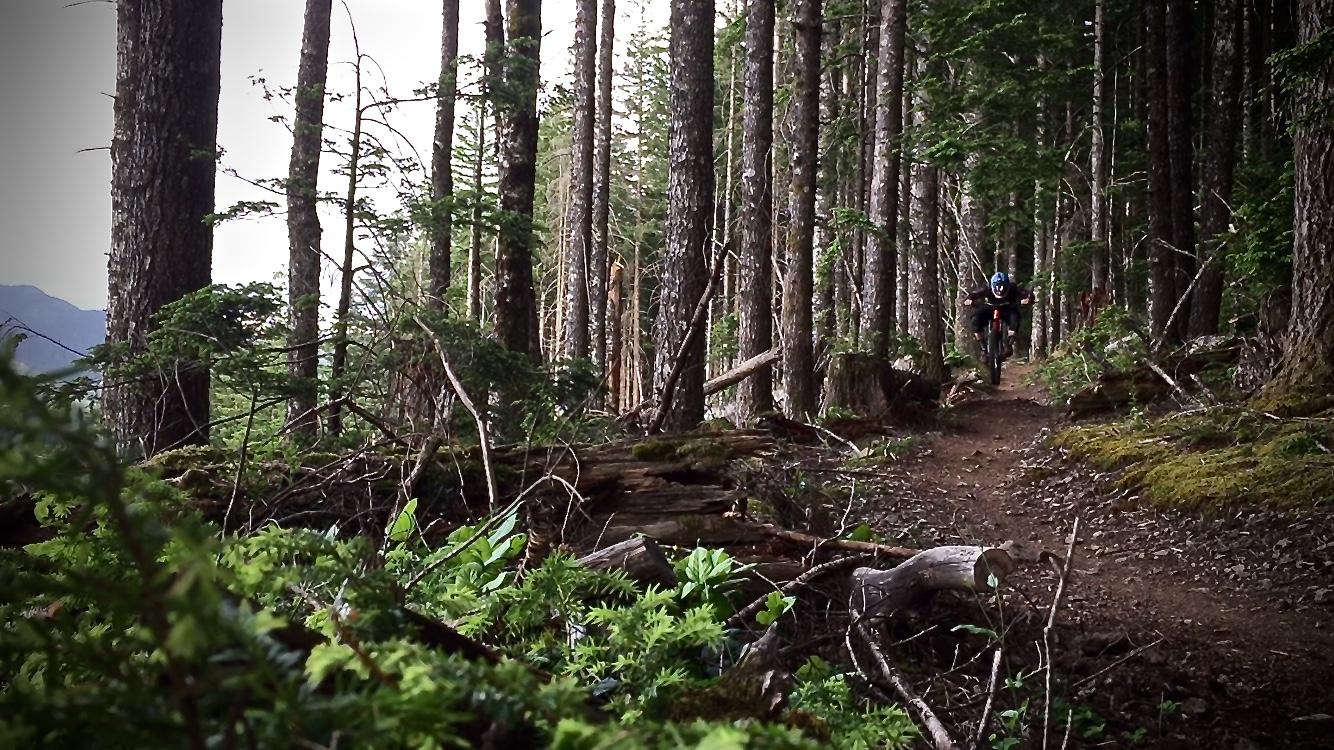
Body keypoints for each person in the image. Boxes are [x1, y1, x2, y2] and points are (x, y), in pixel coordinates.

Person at [962, 272, 1034, 356]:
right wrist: (969, 300)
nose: (1000, 291)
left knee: (1015, 320)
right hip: (990, 308)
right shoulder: (987, 288)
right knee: (975, 320)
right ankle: (983, 348)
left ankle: (1009, 344)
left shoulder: (1013, 288)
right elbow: (974, 294)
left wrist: (1028, 299)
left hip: (1008, 308)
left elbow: (1026, 294)